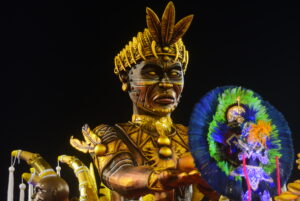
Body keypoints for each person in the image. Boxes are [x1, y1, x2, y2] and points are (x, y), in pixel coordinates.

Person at [70, 1, 219, 201]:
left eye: (175, 74)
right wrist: (156, 178)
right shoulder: (111, 134)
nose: (166, 83)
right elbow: (119, 176)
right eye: (152, 73)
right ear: (125, 79)